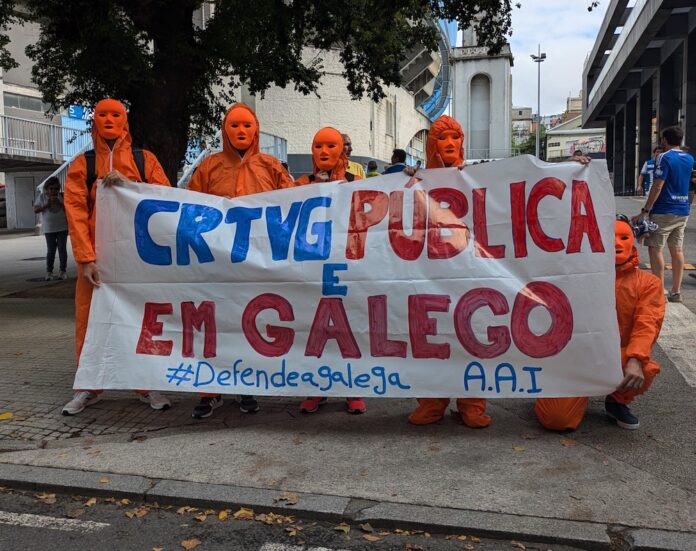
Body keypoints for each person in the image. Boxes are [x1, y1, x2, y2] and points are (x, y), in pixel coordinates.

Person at [62, 98, 172, 415]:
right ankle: (88, 386)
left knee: (143, 319)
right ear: (94, 120)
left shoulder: (144, 160)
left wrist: (128, 187)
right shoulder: (84, 163)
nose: (109, 119)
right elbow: (76, 212)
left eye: (115, 114)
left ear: (125, 121)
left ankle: (147, 382)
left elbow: (164, 199)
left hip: (138, 260)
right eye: (103, 115)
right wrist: (84, 259)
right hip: (97, 260)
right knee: (89, 321)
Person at [188, 102, 295, 420]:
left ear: (256, 130)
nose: (241, 131)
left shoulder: (271, 166)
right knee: (214, 326)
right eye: (234, 125)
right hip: (217, 266)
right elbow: (190, 207)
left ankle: (246, 385)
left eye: (247, 126)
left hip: (254, 266)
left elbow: (293, 206)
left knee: (249, 325)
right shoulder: (208, 167)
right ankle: (209, 391)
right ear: (225, 130)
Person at [535, 218, 665, 430]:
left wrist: (636, 358)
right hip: (577, 357)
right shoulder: (577, 275)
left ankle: (617, 400)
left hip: (617, 356)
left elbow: (647, 323)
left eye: (624, 238)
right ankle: (555, 390)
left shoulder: (649, 283)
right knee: (556, 420)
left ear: (633, 240)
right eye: (609, 237)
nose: (616, 244)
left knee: (645, 367)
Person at [407, 115, 491, 429]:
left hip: (468, 271)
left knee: (471, 335)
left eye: (456, 138)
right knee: (431, 339)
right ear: (434, 144)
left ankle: (471, 403)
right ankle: (432, 402)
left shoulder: (476, 176)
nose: (451, 144)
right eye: (444, 139)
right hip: (431, 273)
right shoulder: (418, 179)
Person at [295, 127, 365, 414]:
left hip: (346, 267)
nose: (324, 152)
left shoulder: (357, 183)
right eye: (318, 146)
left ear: (342, 151)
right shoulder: (298, 185)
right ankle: (316, 387)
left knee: (349, 329)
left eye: (330, 146)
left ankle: (352, 389)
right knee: (313, 331)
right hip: (311, 269)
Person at [632, 126, 693, 303]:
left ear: (665, 140)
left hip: (664, 209)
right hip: (683, 209)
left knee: (655, 248)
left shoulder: (663, 157)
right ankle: (676, 290)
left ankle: (658, 291)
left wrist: (645, 211)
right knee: (677, 250)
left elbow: (658, 185)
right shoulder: (689, 158)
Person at [295, 127, 363, 185]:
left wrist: (347, 189)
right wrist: (315, 185)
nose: (323, 151)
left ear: (340, 151)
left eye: (331, 146)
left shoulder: (355, 181)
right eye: (318, 146)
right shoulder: (303, 183)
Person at [34, 176, 68, 281]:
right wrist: (47, 205)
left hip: (62, 227)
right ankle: (49, 272)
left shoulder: (62, 196)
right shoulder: (42, 197)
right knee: (51, 251)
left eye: (56, 189)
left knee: (62, 250)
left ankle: (62, 271)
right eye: (51, 188)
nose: (54, 191)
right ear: (47, 189)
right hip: (49, 229)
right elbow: (35, 210)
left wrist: (60, 204)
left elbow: (70, 210)